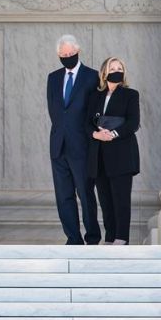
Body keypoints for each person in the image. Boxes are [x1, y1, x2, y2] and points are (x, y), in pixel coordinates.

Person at [46, 35, 101, 245]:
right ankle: (73, 238)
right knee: (64, 196)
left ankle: (93, 237)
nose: (67, 57)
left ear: (78, 51)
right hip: (58, 146)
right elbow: (54, 110)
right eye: (63, 55)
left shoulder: (92, 76)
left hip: (82, 146)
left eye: (70, 54)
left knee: (86, 195)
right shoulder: (53, 78)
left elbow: (94, 113)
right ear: (59, 55)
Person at [86, 57, 140, 245]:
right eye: (113, 67)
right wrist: (95, 134)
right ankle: (109, 237)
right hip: (99, 156)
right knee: (106, 201)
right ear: (104, 72)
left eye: (120, 68)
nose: (117, 70)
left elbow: (133, 123)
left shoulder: (131, 95)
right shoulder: (95, 96)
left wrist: (113, 133)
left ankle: (121, 237)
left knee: (121, 199)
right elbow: (86, 123)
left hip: (122, 155)